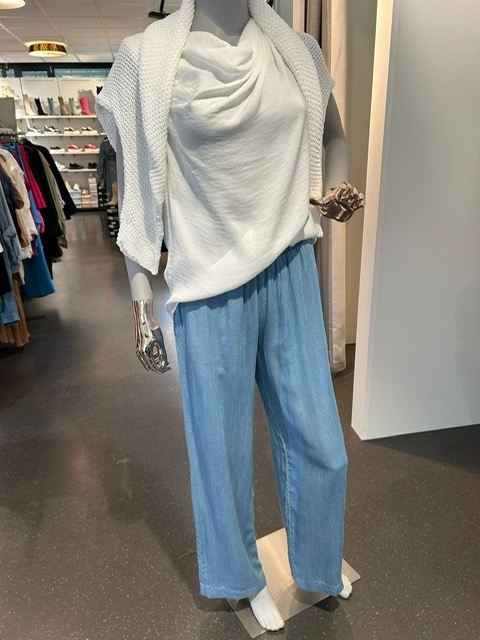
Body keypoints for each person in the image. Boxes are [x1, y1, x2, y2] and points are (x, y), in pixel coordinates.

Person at [96, 0, 363, 631]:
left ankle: (318, 561)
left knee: (322, 443)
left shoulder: (297, 51)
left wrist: (331, 191)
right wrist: (141, 304)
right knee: (219, 453)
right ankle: (239, 581)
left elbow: (332, 134)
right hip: (209, 285)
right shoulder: (146, 59)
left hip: (291, 267)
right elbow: (138, 191)